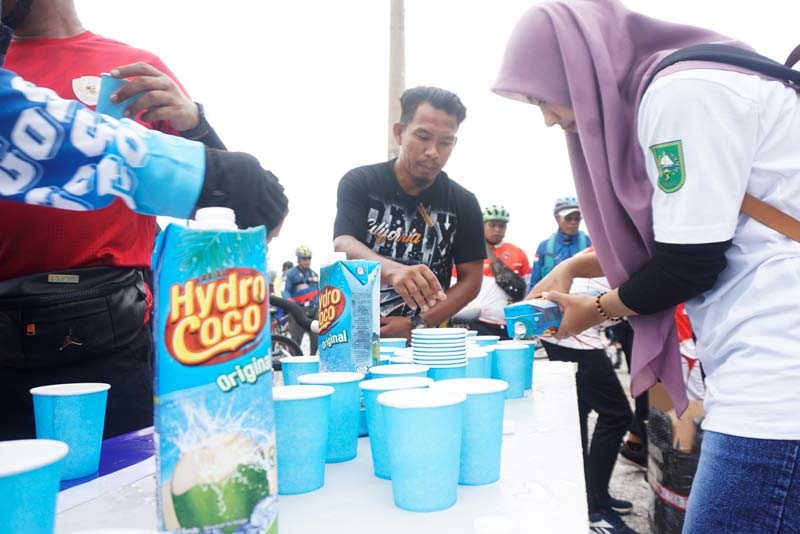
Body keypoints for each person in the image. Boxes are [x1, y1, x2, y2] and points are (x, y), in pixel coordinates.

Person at [493, 0, 800, 531]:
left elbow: (688, 265)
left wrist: (595, 310)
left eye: (542, 97)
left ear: (575, 67)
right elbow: (695, 232)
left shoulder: (681, 93)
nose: (547, 118)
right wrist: (575, 269)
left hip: (777, 375)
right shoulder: (697, 80)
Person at [0, 13, 288, 440]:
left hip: (116, 344)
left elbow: (243, 217)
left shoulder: (133, 70)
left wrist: (196, 124)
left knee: (122, 492)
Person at [333, 86, 484, 339]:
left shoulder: (463, 203)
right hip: (352, 332)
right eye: (423, 137)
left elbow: (471, 282)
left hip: (425, 341)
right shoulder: (361, 182)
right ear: (399, 133)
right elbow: (343, 244)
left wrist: (417, 324)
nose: (433, 152)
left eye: (445, 142)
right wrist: (393, 270)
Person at [535, 259, 634, 528]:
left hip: (570, 331)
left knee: (581, 411)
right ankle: (596, 509)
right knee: (617, 415)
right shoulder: (611, 244)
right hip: (575, 332)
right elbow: (559, 275)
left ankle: (586, 496)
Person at [461, 205, 531, 338]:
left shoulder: (518, 253)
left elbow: (528, 291)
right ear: (482, 225)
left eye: (502, 226)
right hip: (478, 323)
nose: (497, 230)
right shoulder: (469, 252)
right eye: (492, 225)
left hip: (509, 324)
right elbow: (456, 286)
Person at [529, 196, 591, 290]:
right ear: (557, 218)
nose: (573, 222)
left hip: (583, 299)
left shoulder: (589, 243)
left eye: (577, 218)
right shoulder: (544, 247)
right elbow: (534, 283)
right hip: (552, 300)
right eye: (568, 218)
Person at [284, 246, 319, 355]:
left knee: (316, 339)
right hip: (298, 311)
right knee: (295, 341)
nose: (307, 261)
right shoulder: (291, 274)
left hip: (313, 310)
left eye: (309, 258)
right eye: (304, 259)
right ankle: (294, 361)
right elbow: (285, 291)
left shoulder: (314, 274)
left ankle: (313, 360)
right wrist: (291, 304)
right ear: (298, 259)